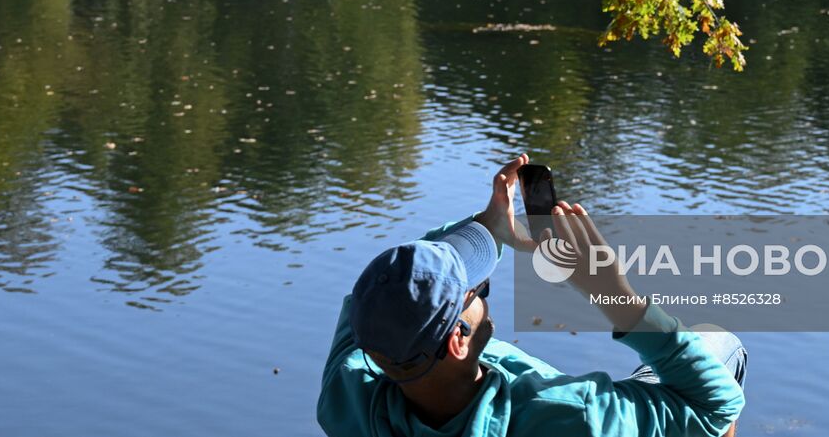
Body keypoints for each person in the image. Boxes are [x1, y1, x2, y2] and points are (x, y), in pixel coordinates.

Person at [316, 155, 747, 436]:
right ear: (458, 339)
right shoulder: (567, 417)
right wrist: (614, 294)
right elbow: (716, 405)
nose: (486, 288)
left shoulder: (347, 394)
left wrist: (487, 227)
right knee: (718, 342)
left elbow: (377, 291)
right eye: (478, 287)